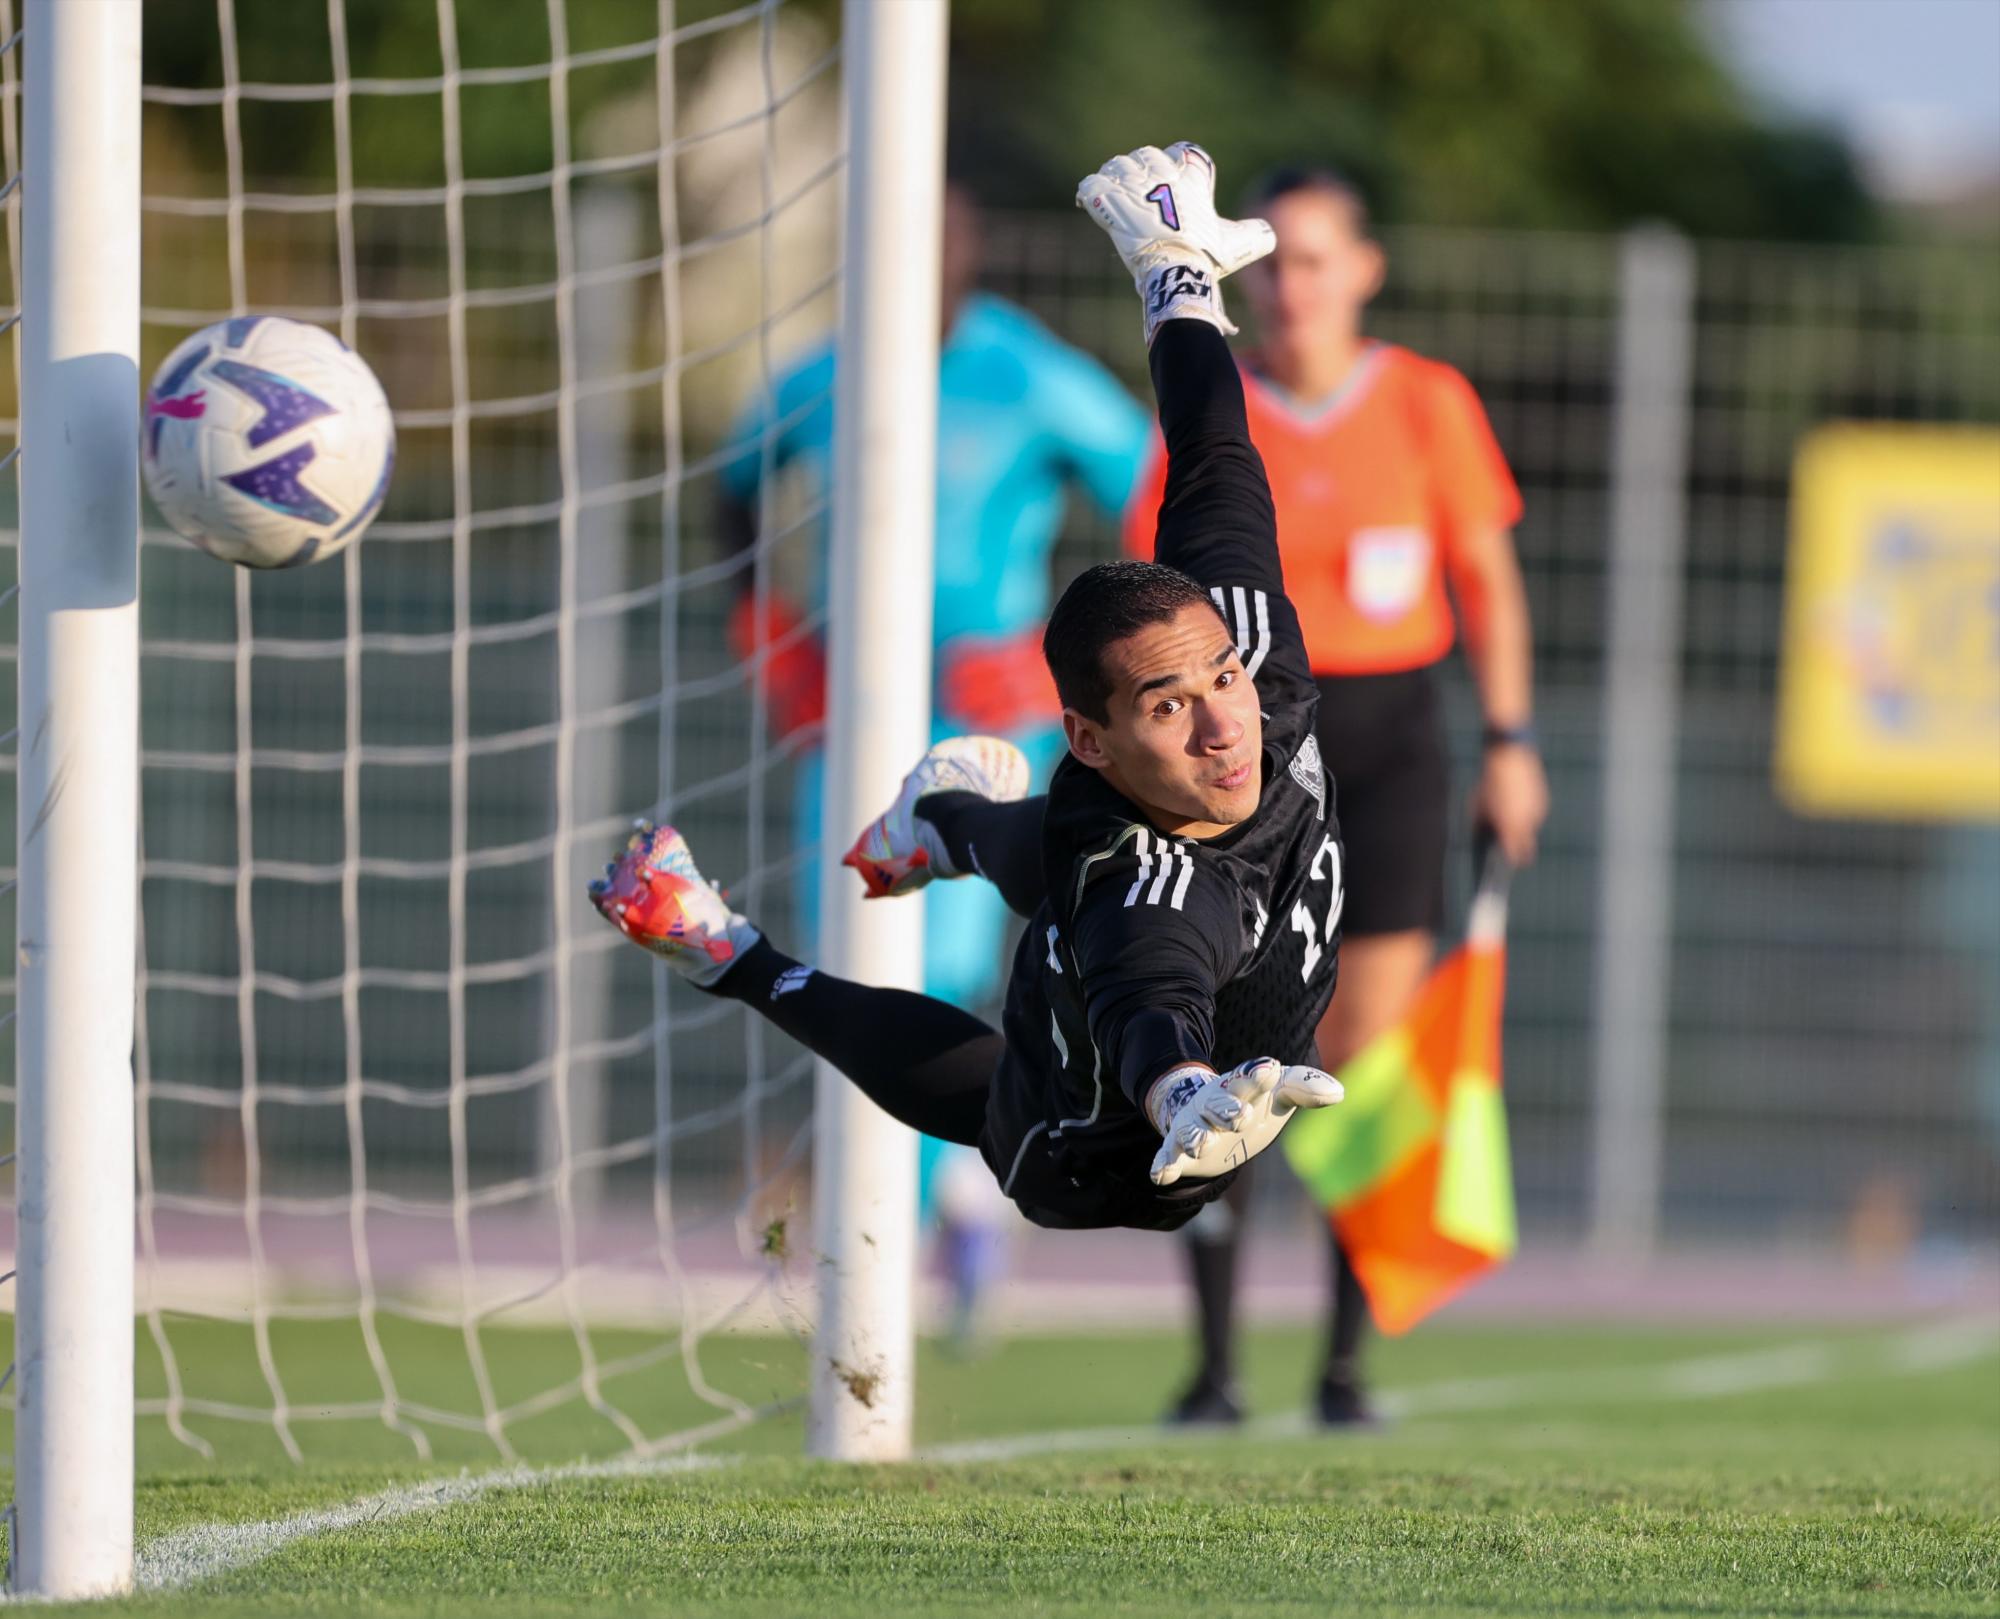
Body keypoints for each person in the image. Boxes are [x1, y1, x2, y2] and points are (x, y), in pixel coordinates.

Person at [592, 141, 1344, 1233]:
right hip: (1095, 1157)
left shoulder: (1245, 658)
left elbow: (1208, 453)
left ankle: (940, 821)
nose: (1226, 720)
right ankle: (732, 952)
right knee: (1008, 1070)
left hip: (1000, 717)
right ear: (1093, 736)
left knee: (1036, 852)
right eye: (1169, 705)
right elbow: (1150, 998)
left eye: (1218, 677)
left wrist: (1174, 275)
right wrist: (1183, 1093)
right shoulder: (1150, 897)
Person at [1123, 167, 1549, 1427]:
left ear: (1362, 270)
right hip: (1241, 755)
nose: (1287, 286)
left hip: (1390, 745)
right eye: (1269, 262)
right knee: (1232, 1049)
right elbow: (1141, 604)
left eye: (1313, 260)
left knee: (1359, 1056)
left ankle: (1345, 1364)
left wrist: (1511, 737)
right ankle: (1211, 1363)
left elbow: (1487, 579)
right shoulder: (1210, 415)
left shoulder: (1425, 403)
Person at [719, 183, 1150, 1335]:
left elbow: (1148, 494)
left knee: (934, 973)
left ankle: (879, 1277)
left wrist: (1059, 654)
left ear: (968, 255)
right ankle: (960, 1192)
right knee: (849, 961)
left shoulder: (1028, 373)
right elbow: (730, 490)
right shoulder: (822, 374)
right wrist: (766, 637)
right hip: (851, 715)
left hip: (978, 731)